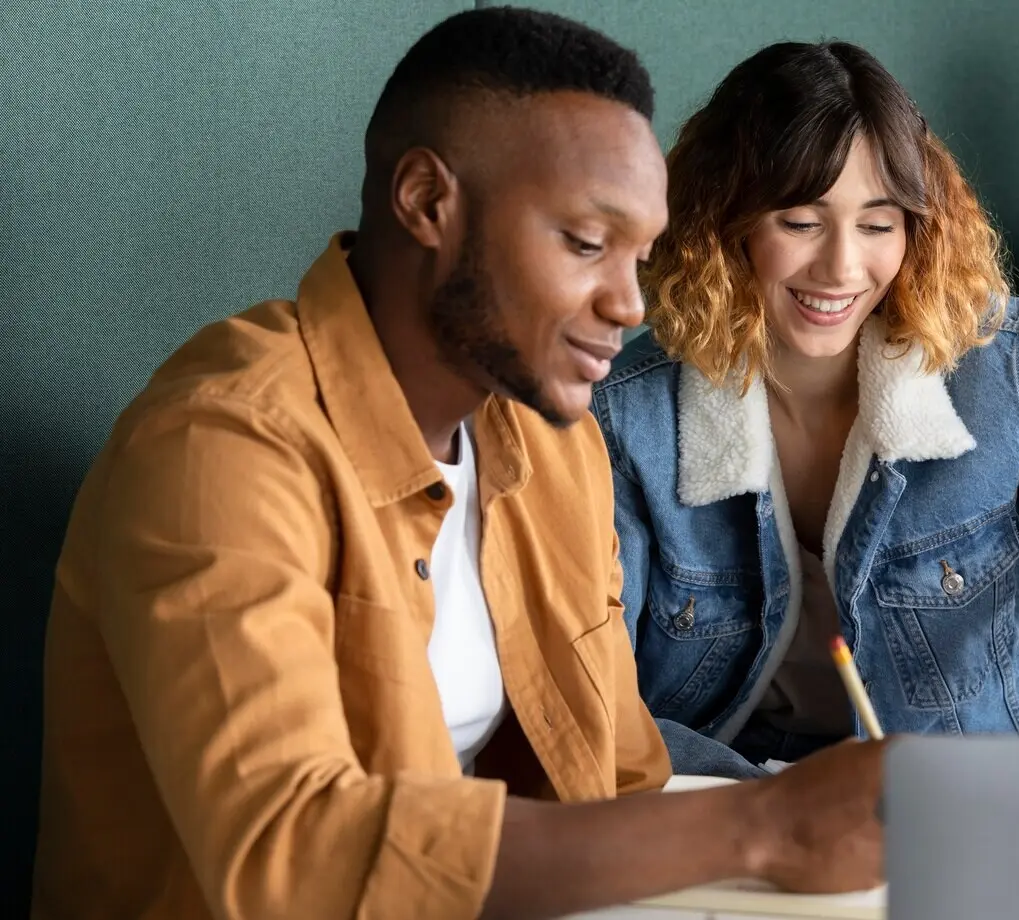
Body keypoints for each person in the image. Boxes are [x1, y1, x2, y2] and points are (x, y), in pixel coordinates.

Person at [30, 10, 886, 920]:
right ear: (427, 202)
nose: (628, 304)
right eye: (588, 244)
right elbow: (289, 853)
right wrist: (760, 826)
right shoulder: (220, 448)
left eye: (638, 257)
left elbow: (618, 773)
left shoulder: (558, 447)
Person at [592, 39, 1019, 779]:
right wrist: (774, 815)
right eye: (802, 222)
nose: (842, 267)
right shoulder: (628, 416)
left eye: (878, 224)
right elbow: (600, 697)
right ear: (725, 221)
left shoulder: (1008, 368)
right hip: (739, 801)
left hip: (999, 791)